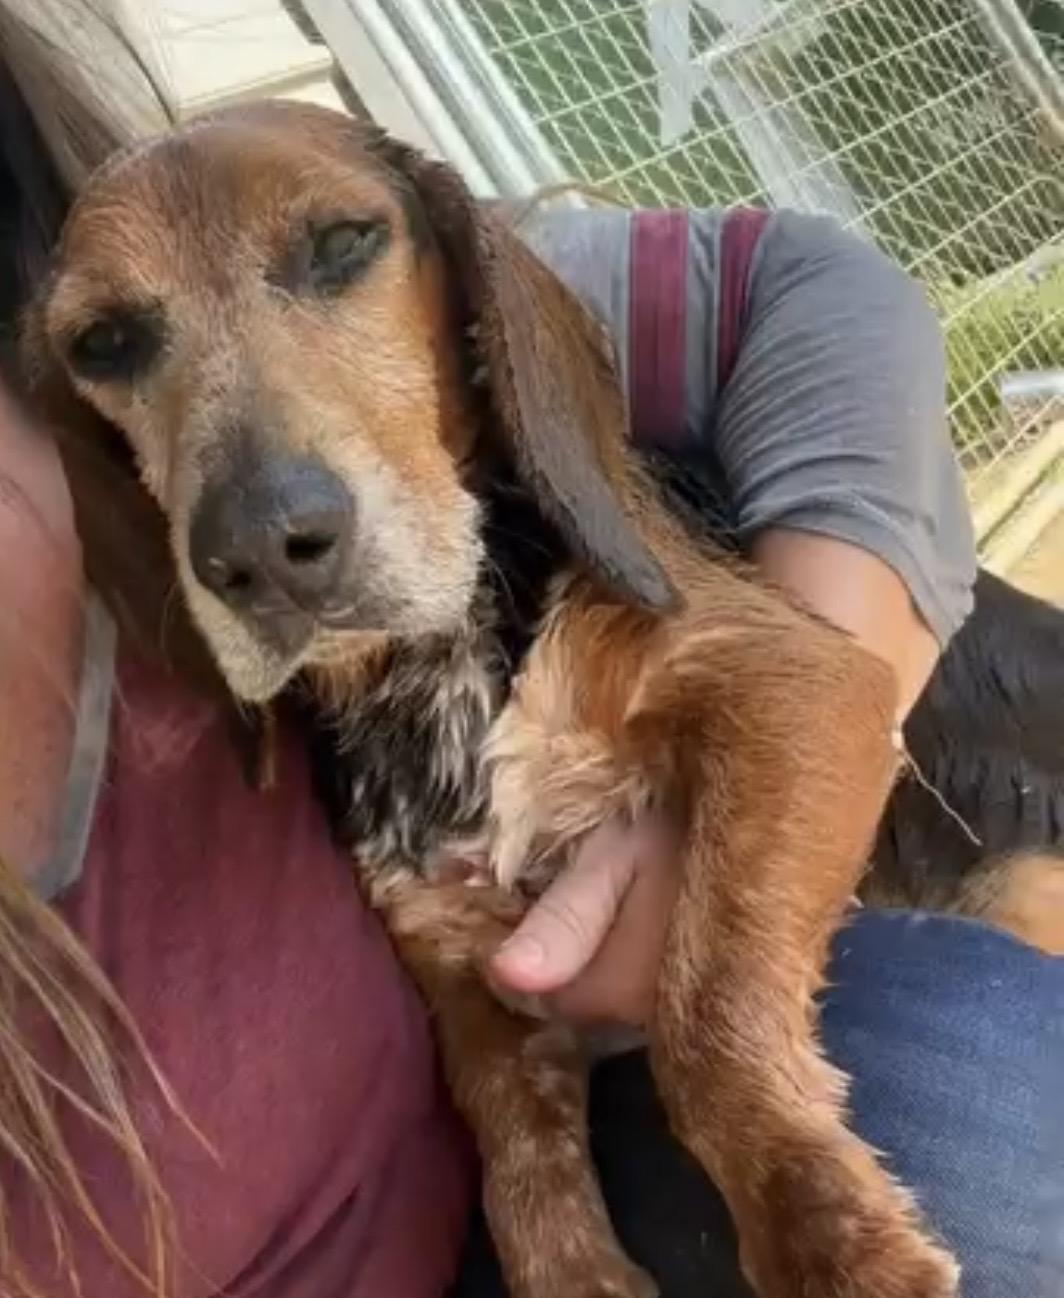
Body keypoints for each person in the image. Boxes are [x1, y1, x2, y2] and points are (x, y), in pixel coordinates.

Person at [0, 3, 1057, 1297]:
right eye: (117, 344)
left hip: (973, 839)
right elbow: (477, 999)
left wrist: (736, 939)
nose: (264, 515)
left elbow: (815, 291)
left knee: (990, 1096)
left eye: (338, 254)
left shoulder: (476, 319)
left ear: (469, 306)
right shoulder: (139, 529)